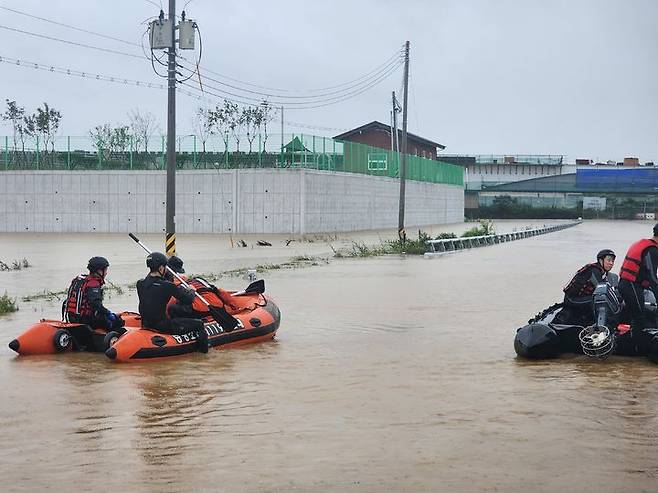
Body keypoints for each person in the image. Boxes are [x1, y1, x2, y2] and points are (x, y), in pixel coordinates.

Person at [136, 252, 209, 353]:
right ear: (161, 268)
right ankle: (204, 355)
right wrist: (192, 290)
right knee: (199, 324)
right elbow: (188, 299)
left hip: (145, 324)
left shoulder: (140, 283)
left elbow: (152, 294)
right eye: (165, 267)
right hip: (162, 326)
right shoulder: (167, 285)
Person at [618, 224, 658, 359]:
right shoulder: (652, 250)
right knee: (640, 318)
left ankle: (634, 346)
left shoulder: (644, 244)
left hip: (629, 284)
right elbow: (652, 277)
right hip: (630, 286)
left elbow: (646, 275)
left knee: (637, 316)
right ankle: (637, 350)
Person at [553, 249, 616, 326]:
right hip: (572, 299)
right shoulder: (594, 270)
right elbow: (602, 290)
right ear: (600, 260)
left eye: (612, 261)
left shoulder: (603, 272)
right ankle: (600, 327)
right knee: (599, 300)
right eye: (608, 260)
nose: (611, 263)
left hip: (583, 297)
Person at [63, 256, 125, 331]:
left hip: (72, 317)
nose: (106, 273)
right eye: (105, 270)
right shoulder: (93, 283)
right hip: (85, 319)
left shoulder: (81, 280)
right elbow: (96, 304)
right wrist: (109, 314)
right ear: (99, 271)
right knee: (119, 322)